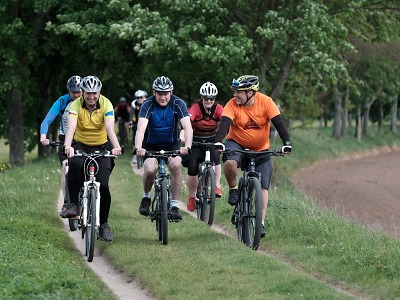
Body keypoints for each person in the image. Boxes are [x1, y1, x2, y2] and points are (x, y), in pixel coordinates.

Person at [214, 75, 292, 238]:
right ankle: (234, 189)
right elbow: (224, 125)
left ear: (250, 92)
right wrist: (218, 142)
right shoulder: (232, 104)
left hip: (261, 148)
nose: (235, 95)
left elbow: (278, 123)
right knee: (229, 162)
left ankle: (260, 223)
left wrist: (287, 142)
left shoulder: (266, 102)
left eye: (239, 92)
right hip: (236, 143)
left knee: (263, 186)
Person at [63, 76, 123, 242]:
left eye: (94, 93)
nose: (91, 97)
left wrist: (116, 146)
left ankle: (103, 225)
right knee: (74, 163)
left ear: (99, 92)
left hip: (101, 145)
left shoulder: (106, 104)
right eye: (88, 93)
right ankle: (73, 204)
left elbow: (110, 128)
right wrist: (67, 146)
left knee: (103, 184)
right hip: (80, 143)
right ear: (82, 92)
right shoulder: (75, 105)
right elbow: (71, 127)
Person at [135, 76, 193, 220]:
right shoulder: (147, 104)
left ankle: (174, 206)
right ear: (154, 92)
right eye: (159, 93)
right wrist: (138, 147)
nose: (162, 97)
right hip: (150, 144)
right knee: (149, 168)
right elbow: (141, 128)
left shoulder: (178, 103)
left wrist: (187, 146)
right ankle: (146, 196)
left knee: (176, 165)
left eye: (165, 93)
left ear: (171, 92)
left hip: (171, 143)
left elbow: (187, 127)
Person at [40, 75, 82, 217]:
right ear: (69, 90)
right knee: (66, 166)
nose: (76, 95)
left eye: (79, 92)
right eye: (73, 92)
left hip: (83, 140)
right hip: (65, 140)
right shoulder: (62, 101)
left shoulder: (87, 101)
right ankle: (67, 201)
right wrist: (43, 136)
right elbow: (47, 120)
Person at [182, 82, 224, 211]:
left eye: (211, 98)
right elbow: (187, 122)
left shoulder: (218, 108)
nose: (209, 101)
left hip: (212, 139)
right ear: (202, 98)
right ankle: (191, 197)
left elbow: (225, 122)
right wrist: (183, 135)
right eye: (206, 98)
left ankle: (216, 185)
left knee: (216, 155)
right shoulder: (195, 108)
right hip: (196, 140)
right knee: (193, 164)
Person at [129, 89, 147, 163]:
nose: (139, 99)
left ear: (144, 97)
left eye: (141, 97)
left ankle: (146, 154)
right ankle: (135, 155)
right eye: (138, 97)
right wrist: (130, 122)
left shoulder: (147, 103)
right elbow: (131, 113)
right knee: (135, 138)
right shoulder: (134, 104)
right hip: (137, 122)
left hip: (146, 122)